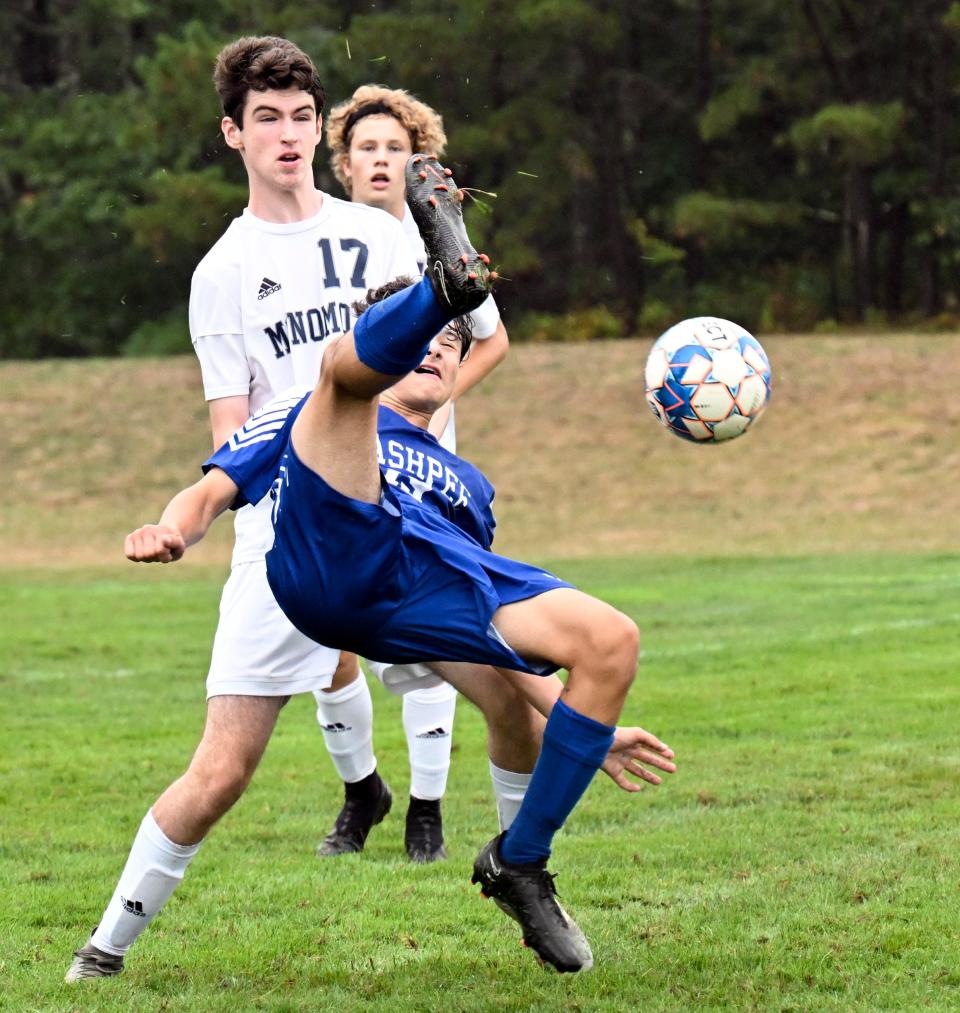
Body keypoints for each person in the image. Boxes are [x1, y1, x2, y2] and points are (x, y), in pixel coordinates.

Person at [115, 155, 677, 973]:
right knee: (338, 385)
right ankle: (102, 949)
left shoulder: (469, 486)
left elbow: (498, 641)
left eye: (451, 343)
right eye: (428, 338)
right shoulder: (323, 411)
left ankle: (520, 862)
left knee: (611, 640)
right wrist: (170, 530)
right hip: (325, 556)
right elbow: (207, 492)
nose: (439, 356)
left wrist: (578, 722)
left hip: (415, 583)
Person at [313, 84, 511, 863]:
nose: (381, 160)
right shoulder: (318, 241)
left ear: (414, 160)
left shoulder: (438, 240)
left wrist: (430, 396)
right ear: (346, 162)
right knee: (327, 643)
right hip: (338, 457)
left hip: (420, 466)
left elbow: (491, 337)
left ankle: (425, 809)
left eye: (396, 148)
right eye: (367, 148)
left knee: (431, 633)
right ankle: (363, 790)